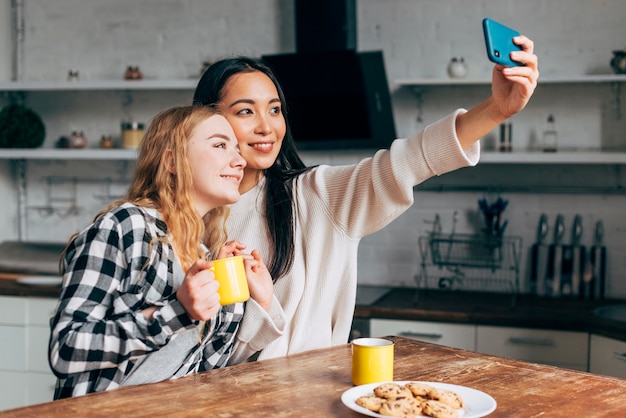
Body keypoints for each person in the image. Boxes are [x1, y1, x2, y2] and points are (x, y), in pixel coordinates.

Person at [193, 36, 539, 363]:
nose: (267, 127)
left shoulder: (317, 195)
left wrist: (496, 110)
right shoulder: (184, 215)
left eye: (274, 109)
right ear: (206, 121)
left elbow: (409, 160)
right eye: (245, 112)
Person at [48, 105, 286, 399]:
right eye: (221, 145)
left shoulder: (202, 254)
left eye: (237, 149)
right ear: (173, 161)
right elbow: (66, 349)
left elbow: (207, 371)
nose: (239, 161)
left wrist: (258, 299)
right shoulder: (127, 226)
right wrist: (177, 311)